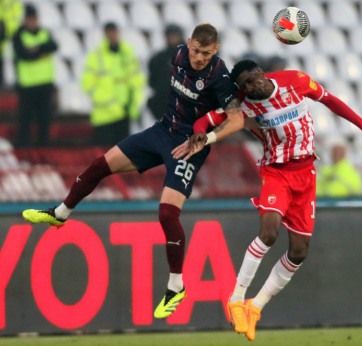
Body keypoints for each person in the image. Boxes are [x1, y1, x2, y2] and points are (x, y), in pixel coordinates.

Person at [22, 23, 244, 319]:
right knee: (101, 165)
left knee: (167, 214)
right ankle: (61, 213)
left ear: (215, 50)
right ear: (187, 43)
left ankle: (176, 286)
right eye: (195, 50)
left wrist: (208, 137)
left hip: (190, 145)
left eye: (206, 53)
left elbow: (237, 120)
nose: (199, 57)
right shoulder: (177, 56)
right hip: (161, 131)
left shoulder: (220, 76)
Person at [173, 59, 362, 340]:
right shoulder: (240, 103)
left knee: (299, 252)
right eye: (245, 85)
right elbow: (206, 119)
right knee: (269, 232)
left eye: (253, 80)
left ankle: (255, 307)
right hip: (276, 173)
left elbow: (330, 100)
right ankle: (236, 299)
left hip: (306, 174)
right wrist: (200, 131)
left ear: (262, 74)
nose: (251, 87)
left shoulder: (295, 80)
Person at [81, 22, 145, 146]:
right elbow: (88, 85)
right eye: (109, 32)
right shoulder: (96, 56)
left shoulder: (127, 53)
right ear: (105, 34)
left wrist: (134, 105)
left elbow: (136, 80)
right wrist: (110, 103)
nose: (112, 36)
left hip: (124, 113)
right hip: (104, 115)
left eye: (114, 32)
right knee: (104, 158)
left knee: (121, 157)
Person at [12, 4, 57, 147]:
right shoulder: (18, 35)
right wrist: (42, 49)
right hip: (27, 86)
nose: (32, 21)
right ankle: (24, 153)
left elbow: (54, 46)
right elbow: (23, 55)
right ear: (25, 20)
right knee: (25, 122)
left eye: (34, 18)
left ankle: (43, 152)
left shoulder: (44, 32)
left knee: (44, 121)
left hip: (45, 84)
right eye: (30, 19)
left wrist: (35, 50)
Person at [147, 23, 185, 120]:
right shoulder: (158, 58)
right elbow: (153, 82)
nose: (172, 39)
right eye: (170, 36)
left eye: (175, 36)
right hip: (165, 103)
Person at [0, 0, 23, 87]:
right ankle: (2, 83)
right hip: (3, 36)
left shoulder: (13, 2)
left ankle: (18, 82)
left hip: (14, 34)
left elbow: (18, 16)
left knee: (16, 59)